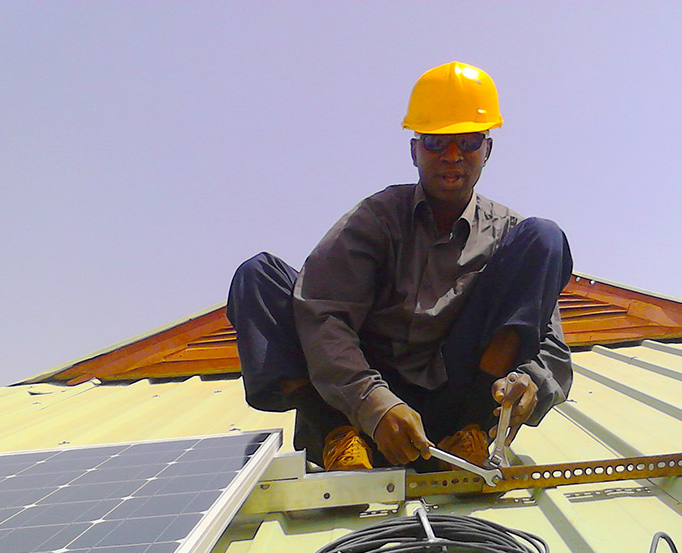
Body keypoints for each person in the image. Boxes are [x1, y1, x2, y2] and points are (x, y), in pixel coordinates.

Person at [227, 62, 573, 473]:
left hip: (459, 404)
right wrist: (373, 404)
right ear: (413, 151)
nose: (451, 156)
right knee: (258, 276)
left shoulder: (511, 236)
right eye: (434, 143)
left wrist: (530, 382)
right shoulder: (375, 220)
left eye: (467, 142)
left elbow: (551, 346)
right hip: (361, 408)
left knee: (545, 237)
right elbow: (324, 317)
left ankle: (473, 435)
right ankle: (337, 437)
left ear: (487, 150)